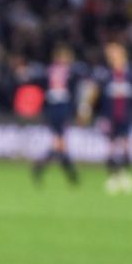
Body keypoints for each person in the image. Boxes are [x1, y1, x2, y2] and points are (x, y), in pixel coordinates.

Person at [80, 41, 132, 195]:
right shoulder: (105, 74)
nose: (111, 57)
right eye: (110, 54)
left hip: (127, 116)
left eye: (114, 53)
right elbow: (94, 91)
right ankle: (115, 177)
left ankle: (122, 174)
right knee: (111, 148)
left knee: (126, 147)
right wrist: (85, 109)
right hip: (109, 116)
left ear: (122, 54)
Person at [26, 44, 87, 186]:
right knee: (59, 144)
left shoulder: (48, 71)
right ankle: (66, 174)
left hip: (53, 110)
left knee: (59, 144)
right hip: (60, 110)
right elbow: (77, 89)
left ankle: (65, 174)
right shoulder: (69, 73)